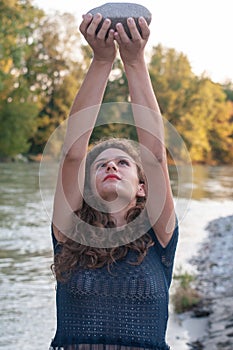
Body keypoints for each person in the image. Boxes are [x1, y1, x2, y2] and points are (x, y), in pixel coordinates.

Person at [50, 12, 178, 350]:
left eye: (123, 162)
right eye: (102, 165)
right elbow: (74, 154)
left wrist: (135, 60)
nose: (112, 167)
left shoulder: (158, 234)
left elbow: (154, 154)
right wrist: (102, 60)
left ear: (142, 187)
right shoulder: (68, 231)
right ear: (88, 187)